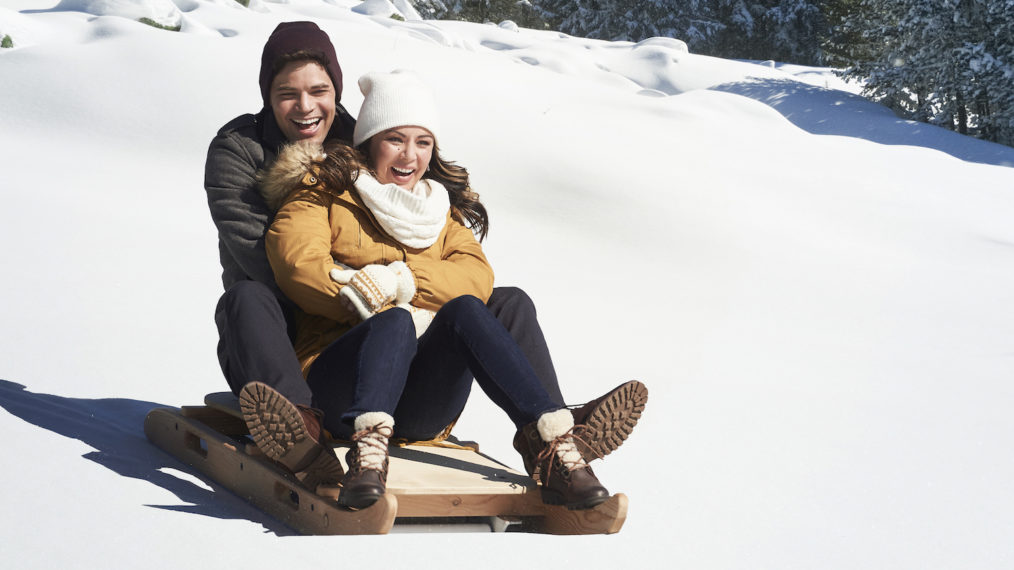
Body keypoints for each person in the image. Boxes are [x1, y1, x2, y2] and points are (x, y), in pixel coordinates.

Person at [204, 22, 647, 493]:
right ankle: (300, 428)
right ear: (369, 146)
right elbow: (288, 264)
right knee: (274, 301)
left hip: (416, 386)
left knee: (499, 302)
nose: (306, 105)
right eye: (394, 140)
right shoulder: (306, 184)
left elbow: (477, 276)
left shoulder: (433, 206)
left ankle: (553, 439)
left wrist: (402, 281)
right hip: (300, 345)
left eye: (422, 142)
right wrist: (365, 298)